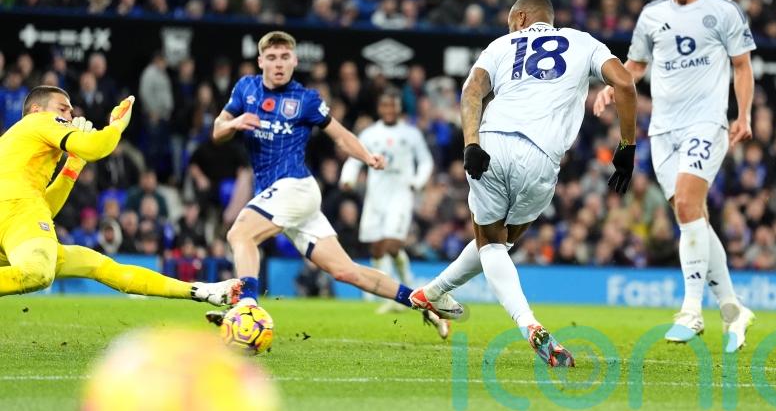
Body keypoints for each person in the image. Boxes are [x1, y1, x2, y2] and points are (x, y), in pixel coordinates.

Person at [409, 0, 638, 367]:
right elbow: (626, 84)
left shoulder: (501, 45)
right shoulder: (583, 42)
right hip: (542, 156)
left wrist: (471, 144)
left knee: (492, 243)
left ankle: (436, 294)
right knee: (500, 243)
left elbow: (471, 92)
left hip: (492, 143)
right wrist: (627, 146)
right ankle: (517, 320)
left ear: (519, 17)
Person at [208, 31, 452, 338]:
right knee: (345, 271)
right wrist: (233, 124)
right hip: (278, 195)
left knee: (240, 234)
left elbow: (340, 134)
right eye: (271, 58)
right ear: (260, 62)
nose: (279, 64)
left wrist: (367, 156)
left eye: (285, 57)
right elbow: (217, 130)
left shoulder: (306, 99)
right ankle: (422, 301)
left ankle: (246, 309)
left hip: (295, 187)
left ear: (295, 60)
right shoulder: (246, 89)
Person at [593, 0, 757, 352]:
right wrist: (615, 85)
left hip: (706, 124)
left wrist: (744, 114)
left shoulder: (723, 12)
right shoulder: (651, 15)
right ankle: (733, 308)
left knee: (686, 205)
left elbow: (741, 66)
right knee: (693, 218)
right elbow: (636, 65)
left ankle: (691, 310)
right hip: (662, 133)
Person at [0, 86, 240, 307]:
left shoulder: (20, 147)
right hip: (15, 215)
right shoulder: (41, 120)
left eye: (71, 112)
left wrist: (73, 165)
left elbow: (41, 211)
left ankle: (199, 290)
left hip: (13, 223)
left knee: (102, 266)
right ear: (36, 109)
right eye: (63, 109)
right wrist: (116, 125)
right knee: (37, 272)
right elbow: (96, 147)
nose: (70, 117)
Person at [339, 88, 434, 313]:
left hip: (401, 194)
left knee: (392, 243)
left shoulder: (411, 134)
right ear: (380, 108)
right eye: (385, 106)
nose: (389, 110)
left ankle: (400, 293)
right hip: (376, 197)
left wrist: (417, 182)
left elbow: (426, 161)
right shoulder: (370, 134)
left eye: (393, 105)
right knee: (378, 249)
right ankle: (394, 293)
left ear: (399, 108)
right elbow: (355, 158)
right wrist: (348, 178)